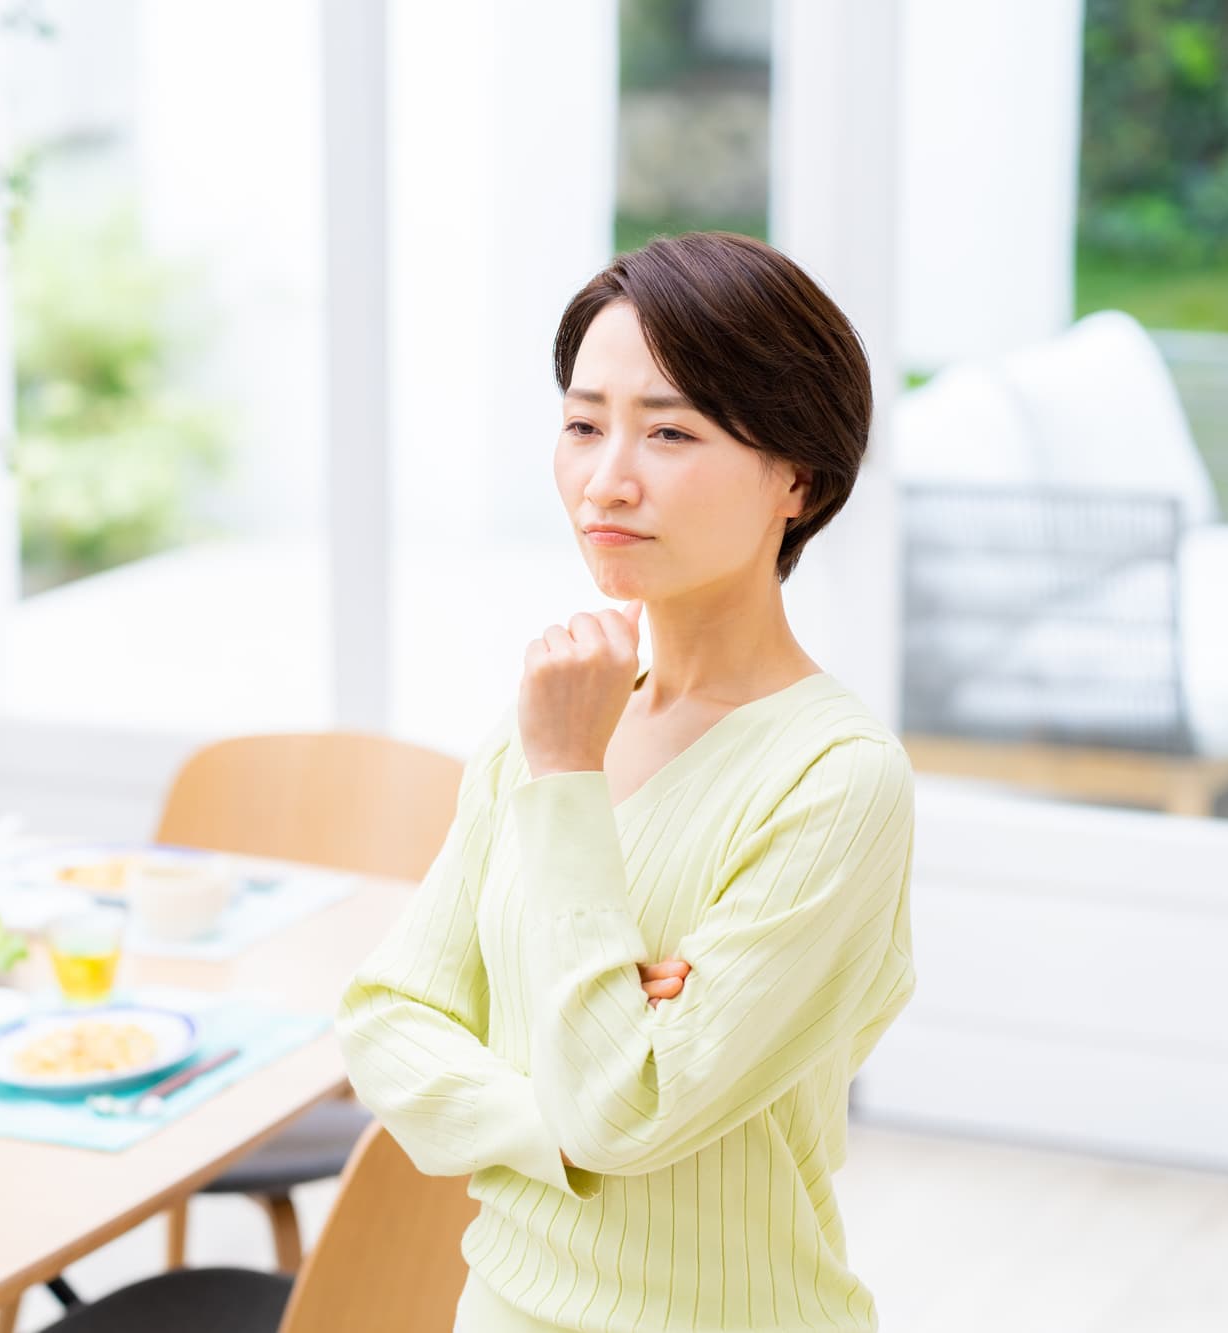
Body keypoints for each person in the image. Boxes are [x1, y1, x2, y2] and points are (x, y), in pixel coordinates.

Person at [333, 232, 917, 1332]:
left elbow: (627, 1105)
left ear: (797, 476)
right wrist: (559, 1098)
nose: (608, 478)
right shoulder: (556, 715)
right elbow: (384, 1019)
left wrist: (564, 782)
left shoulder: (836, 780)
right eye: (582, 424)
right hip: (498, 1304)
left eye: (669, 431)